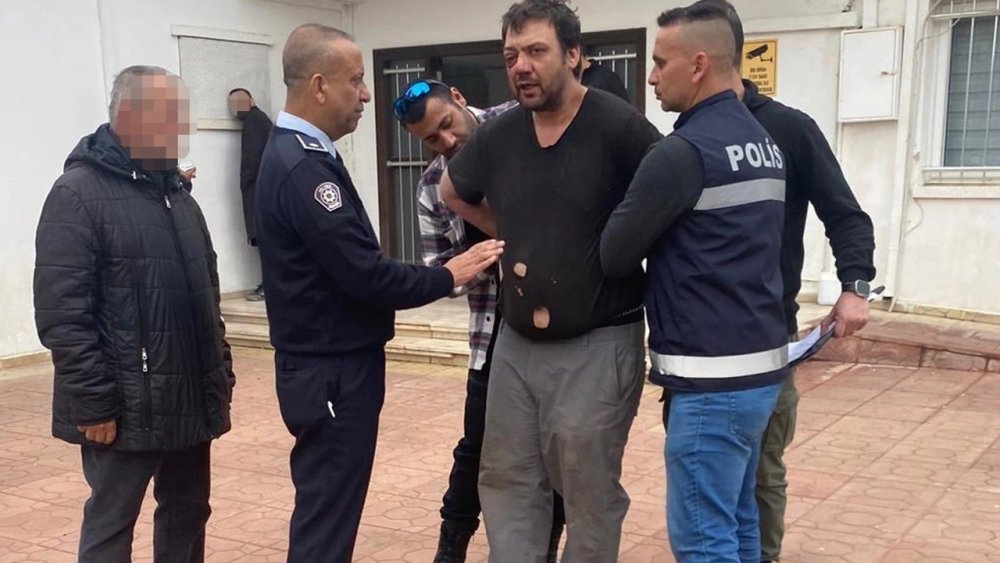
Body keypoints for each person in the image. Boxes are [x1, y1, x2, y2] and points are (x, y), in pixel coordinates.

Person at [255, 25, 504, 563]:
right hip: (330, 371)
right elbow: (365, 275)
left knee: (329, 514)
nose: (365, 94)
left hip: (332, 364)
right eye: (356, 80)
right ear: (319, 85)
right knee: (327, 521)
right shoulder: (303, 167)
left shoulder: (303, 155)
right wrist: (448, 275)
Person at [439, 1, 662, 560]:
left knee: (588, 493)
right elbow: (451, 190)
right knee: (507, 483)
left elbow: (669, 199)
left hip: (598, 342)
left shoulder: (619, 126)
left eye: (536, 51)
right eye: (511, 55)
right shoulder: (500, 133)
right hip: (515, 346)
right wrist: (510, 232)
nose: (521, 66)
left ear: (574, 55)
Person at [599, 3, 790, 561]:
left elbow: (614, 253)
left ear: (699, 64)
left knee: (704, 541)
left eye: (660, 63)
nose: (651, 77)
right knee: (739, 523)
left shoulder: (682, 153)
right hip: (759, 369)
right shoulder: (762, 141)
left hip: (711, 381)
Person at [33, 65, 235, 563]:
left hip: (188, 397)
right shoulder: (77, 194)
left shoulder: (178, 197)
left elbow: (206, 293)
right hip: (121, 407)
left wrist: (220, 371)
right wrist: (93, 404)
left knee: (188, 513)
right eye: (169, 115)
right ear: (127, 117)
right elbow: (63, 314)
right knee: (111, 523)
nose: (181, 128)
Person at [699, 2, 877, 561]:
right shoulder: (687, 134)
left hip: (768, 338)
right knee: (703, 472)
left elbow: (845, 215)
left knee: (762, 471)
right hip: (700, 346)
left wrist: (854, 286)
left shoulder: (788, 128)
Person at [393, 79, 566, 562]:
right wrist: (476, 261)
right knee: (476, 446)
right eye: (432, 139)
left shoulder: (523, 122)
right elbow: (442, 274)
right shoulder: (433, 187)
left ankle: (545, 548)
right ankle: (451, 549)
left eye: (447, 124)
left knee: (555, 446)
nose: (447, 141)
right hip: (493, 327)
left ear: (459, 97)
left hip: (561, 322)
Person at [228, 88, 274, 301]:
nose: (235, 107)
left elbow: (252, 162)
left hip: (260, 193)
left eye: (239, 101)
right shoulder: (258, 121)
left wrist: (248, 187)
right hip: (263, 191)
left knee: (267, 241)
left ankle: (269, 285)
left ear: (252, 100)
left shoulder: (255, 122)